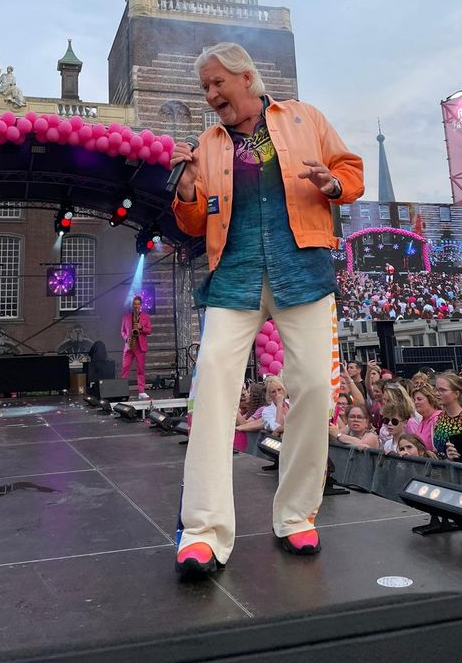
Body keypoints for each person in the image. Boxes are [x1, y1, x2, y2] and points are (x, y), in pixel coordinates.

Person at [169, 42, 364, 576]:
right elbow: (190, 224)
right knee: (211, 383)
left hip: (302, 269)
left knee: (315, 388)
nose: (210, 96)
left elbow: (349, 168)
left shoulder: (306, 118)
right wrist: (186, 192)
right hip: (232, 275)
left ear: (247, 78)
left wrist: (335, 182)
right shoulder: (206, 144)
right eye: (205, 88)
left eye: (217, 85)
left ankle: (297, 513)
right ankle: (203, 530)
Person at [432, 372, 462, 461]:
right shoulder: (441, 417)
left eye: (442, 390)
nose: (437, 393)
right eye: (436, 389)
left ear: (456, 394)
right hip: (442, 469)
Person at [120, 295, 152, 399]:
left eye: (138, 304)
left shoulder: (146, 316)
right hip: (129, 346)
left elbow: (149, 330)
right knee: (125, 369)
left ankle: (141, 392)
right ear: (132, 305)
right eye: (135, 304)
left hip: (140, 346)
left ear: (141, 305)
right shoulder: (126, 316)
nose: (136, 306)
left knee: (141, 370)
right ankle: (122, 391)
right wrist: (126, 339)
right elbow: (123, 331)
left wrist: (141, 327)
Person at [407, 383, 442, 452]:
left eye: (419, 399)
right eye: (414, 400)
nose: (416, 402)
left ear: (430, 400)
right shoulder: (423, 420)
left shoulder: (437, 418)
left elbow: (438, 450)